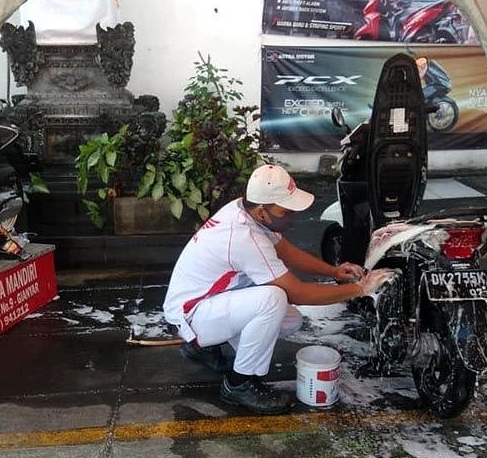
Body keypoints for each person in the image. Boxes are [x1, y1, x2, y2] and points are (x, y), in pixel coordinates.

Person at [162, 164, 393, 415]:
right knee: (273, 299)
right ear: (262, 211)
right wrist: (360, 290)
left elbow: (284, 250)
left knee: (289, 319)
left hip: (206, 300)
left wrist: (333, 271)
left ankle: (203, 347)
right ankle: (240, 384)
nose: (291, 215)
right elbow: (297, 292)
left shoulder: (246, 210)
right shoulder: (244, 237)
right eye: (286, 210)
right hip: (191, 314)